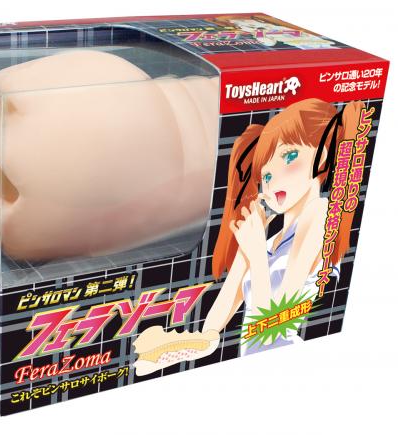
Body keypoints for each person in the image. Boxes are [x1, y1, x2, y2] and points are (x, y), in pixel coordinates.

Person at [134, 98, 364, 375]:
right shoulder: (263, 240)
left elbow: (273, 325)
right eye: (265, 175)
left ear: (321, 156)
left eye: (289, 157)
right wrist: (180, 346)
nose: (273, 180)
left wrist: (255, 253)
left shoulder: (320, 213)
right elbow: (215, 324)